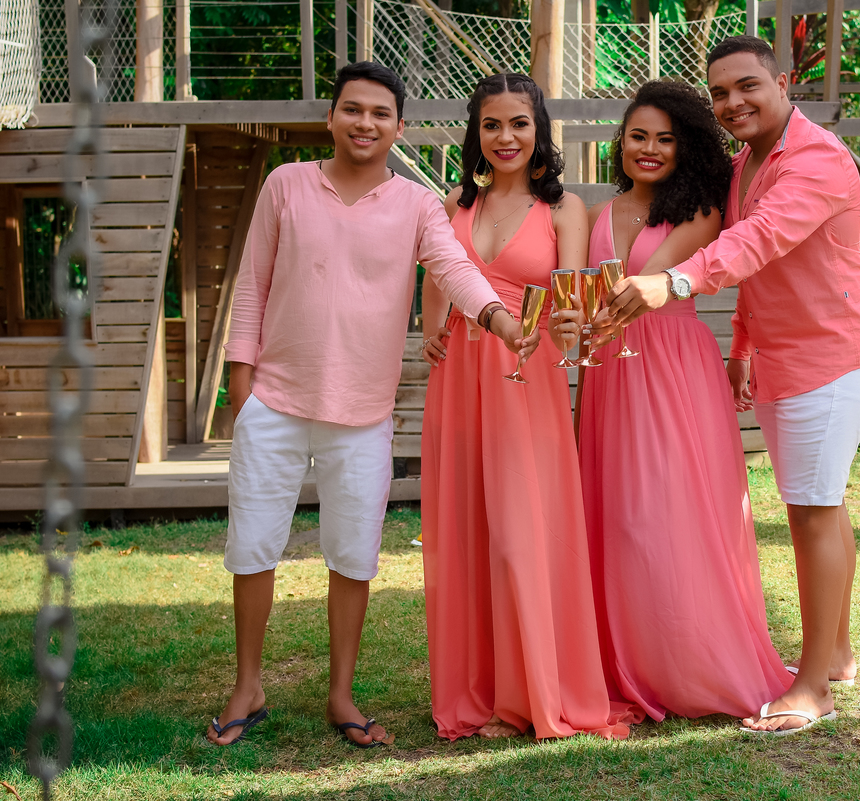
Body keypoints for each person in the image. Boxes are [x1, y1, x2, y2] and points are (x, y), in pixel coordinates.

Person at [207, 61, 535, 748]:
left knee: (352, 556)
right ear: (331, 117)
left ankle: (341, 695)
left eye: (380, 113)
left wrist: (502, 321)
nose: (365, 123)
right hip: (275, 401)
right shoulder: (286, 183)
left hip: (363, 414)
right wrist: (242, 384)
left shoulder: (417, 205)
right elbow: (252, 282)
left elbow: (454, 267)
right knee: (252, 546)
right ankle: (248, 685)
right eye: (352, 109)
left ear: (399, 127)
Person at [603, 37, 860, 735]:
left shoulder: (817, 160)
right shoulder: (742, 166)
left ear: (783, 81)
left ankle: (812, 688)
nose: (733, 103)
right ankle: (837, 653)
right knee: (814, 508)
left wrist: (671, 281)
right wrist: (741, 349)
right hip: (779, 361)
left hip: (831, 357)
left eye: (748, 86)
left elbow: (757, 241)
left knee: (814, 509)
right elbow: (761, 275)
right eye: (721, 93)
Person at [571, 80, 791, 723]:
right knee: (615, 514)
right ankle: (621, 659)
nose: (649, 149)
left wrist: (591, 309)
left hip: (670, 367)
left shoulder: (699, 210)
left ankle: (685, 663)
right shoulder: (599, 212)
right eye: (638, 136)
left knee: (665, 514)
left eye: (664, 139)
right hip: (609, 374)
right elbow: (582, 298)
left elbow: (643, 286)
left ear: (685, 147)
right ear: (621, 142)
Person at [419, 73, 630, 742]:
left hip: (523, 373)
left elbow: (570, 305)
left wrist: (573, 326)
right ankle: (478, 692)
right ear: (475, 133)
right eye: (491, 124)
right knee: (466, 531)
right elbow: (436, 276)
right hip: (458, 378)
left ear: (539, 131)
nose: (505, 137)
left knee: (518, 535)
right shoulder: (453, 202)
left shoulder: (565, 209)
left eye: (518, 123)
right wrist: (430, 328)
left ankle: (529, 692)